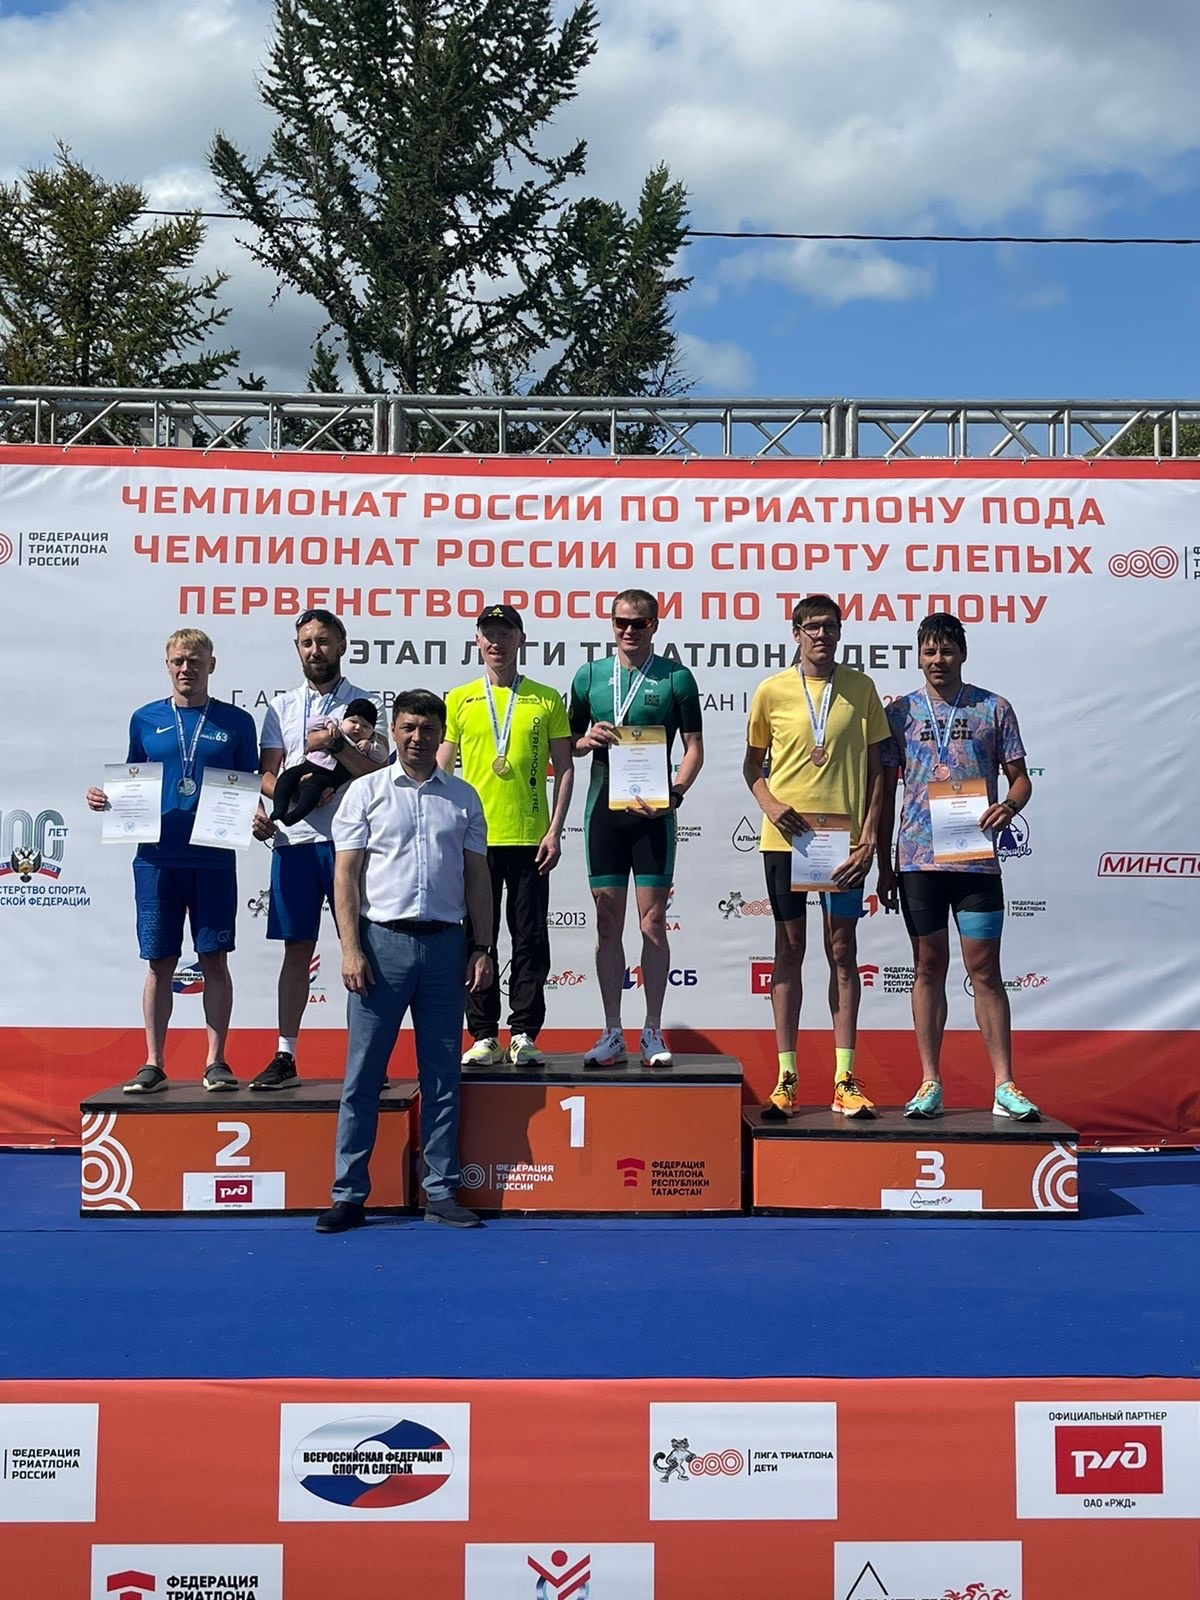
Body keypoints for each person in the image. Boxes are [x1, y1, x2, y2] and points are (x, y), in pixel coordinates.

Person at [316, 689, 494, 1233]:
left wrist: (483, 946)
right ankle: (349, 1194)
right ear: (393, 731)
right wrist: (350, 948)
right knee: (363, 1076)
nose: (419, 738)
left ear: (442, 736)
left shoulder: (463, 797)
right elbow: (345, 875)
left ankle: (440, 1191)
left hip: (445, 948)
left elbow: (478, 878)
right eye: (409, 727)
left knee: (442, 1076)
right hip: (380, 947)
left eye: (429, 729)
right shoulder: (365, 792)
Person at [877, 612, 1038, 1120]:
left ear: (962, 654)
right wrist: (884, 864)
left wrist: (1009, 806)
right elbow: (883, 794)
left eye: (947, 651)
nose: (938, 660)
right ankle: (930, 1082)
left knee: (985, 970)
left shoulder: (994, 708)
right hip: (918, 862)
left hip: (975, 862)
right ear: (918, 656)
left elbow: (1021, 779)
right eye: (929, 651)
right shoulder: (899, 712)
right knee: (927, 967)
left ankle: (1005, 1084)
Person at [85, 628, 259, 1092]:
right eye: (179, 661)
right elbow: (132, 781)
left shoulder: (237, 722)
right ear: (167, 666)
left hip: (213, 858)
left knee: (214, 958)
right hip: (156, 859)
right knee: (159, 961)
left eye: (195, 661)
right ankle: (154, 1063)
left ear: (211, 665)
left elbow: (248, 786)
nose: (187, 668)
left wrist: (257, 812)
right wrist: (106, 800)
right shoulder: (144, 719)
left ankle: (216, 1062)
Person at [743, 594, 888, 1120]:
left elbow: (878, 770)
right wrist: (770, 804)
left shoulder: (861, 688)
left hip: (842, 843)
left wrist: (869, 838)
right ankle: (787, 1078)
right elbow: (752, 766)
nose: (821, 635)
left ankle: (844, 1078)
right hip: (787, 841)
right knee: (788, 948)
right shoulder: (772, 690)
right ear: (796, 633)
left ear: (840, 632)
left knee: (842, 951)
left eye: (830, 626)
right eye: (812, 627)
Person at [568, 588, 704, 1068]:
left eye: (640, 622)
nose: (629, 630)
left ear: (654, 625)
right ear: (611, 624)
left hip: (653, 817)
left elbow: (694, 748)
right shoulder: (589, 676)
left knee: (652, 922)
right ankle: (612, 1031)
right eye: (621, 622)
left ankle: (651, 1030)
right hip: (604, 815)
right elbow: (569, 746)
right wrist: (586, 738)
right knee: (607, 922)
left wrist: (675, 795)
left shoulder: (675, 678)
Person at [253, 609, 386, 1090]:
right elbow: (268, 774)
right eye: (307, 642)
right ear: (298, 649)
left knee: (362, 949)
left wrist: (337, 751)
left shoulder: (366, 704)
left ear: (342, 645)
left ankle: (367, 1060)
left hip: (351, 842)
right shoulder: (281, 707)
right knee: (297, 951)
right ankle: (285, 1056)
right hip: (294, 843)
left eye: (324, 641)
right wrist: (288, 803)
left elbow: (378, 771)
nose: (316, 650)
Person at [438, 603, 574, 1067]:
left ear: (521, 639)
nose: (496, 642)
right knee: (479, 938)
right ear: (478, 641)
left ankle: (523, 1032)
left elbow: (566, 768)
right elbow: (442, 769)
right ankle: (483, 1034)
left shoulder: (545, 698)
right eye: (488, 634)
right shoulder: (459, 699)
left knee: (530, 938)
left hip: (531, 838)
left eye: (505, 633)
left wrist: (555, 830)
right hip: (475, 841)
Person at [270, 699, 383, 826]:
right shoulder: (335, 725)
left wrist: (370, 747)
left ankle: (293, 817)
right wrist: (328, 724)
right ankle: (279, 809)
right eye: (353, 721)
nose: (358, 728)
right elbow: (310, 723)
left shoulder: (369, 743)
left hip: (330, 776)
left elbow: (381, 759)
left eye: (365, 727)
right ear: (343, 720)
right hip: (310, 764)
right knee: (286, 777)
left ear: (372, 731)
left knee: (312, 789)